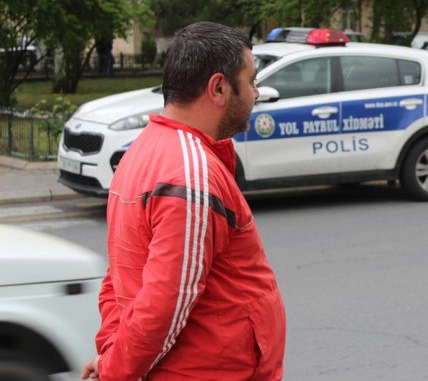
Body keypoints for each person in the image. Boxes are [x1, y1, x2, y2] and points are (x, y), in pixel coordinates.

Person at [82, 22, 286, 380]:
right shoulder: (191, 174)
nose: (256, 93)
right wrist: (115, 370)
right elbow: (164, 304)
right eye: (251, 81)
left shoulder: (142, 152)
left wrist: (112, 353)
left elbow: (119, 278)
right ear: (219, 88)